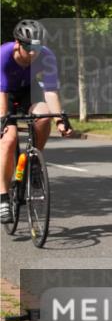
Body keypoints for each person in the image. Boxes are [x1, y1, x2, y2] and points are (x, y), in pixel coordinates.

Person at [1, 20, 73, 224]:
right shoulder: (4, 56)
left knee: (43, 117)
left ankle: (33, 161)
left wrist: (59, 120)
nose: (33, 53)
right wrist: (2, 122)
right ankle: (3, 197)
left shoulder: (47, 56)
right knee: (9, 138)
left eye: (37, 47)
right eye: (28, 48)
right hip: (2, 93)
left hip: (28, 91)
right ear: (17, 44)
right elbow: (2, 95)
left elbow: (50, 91)